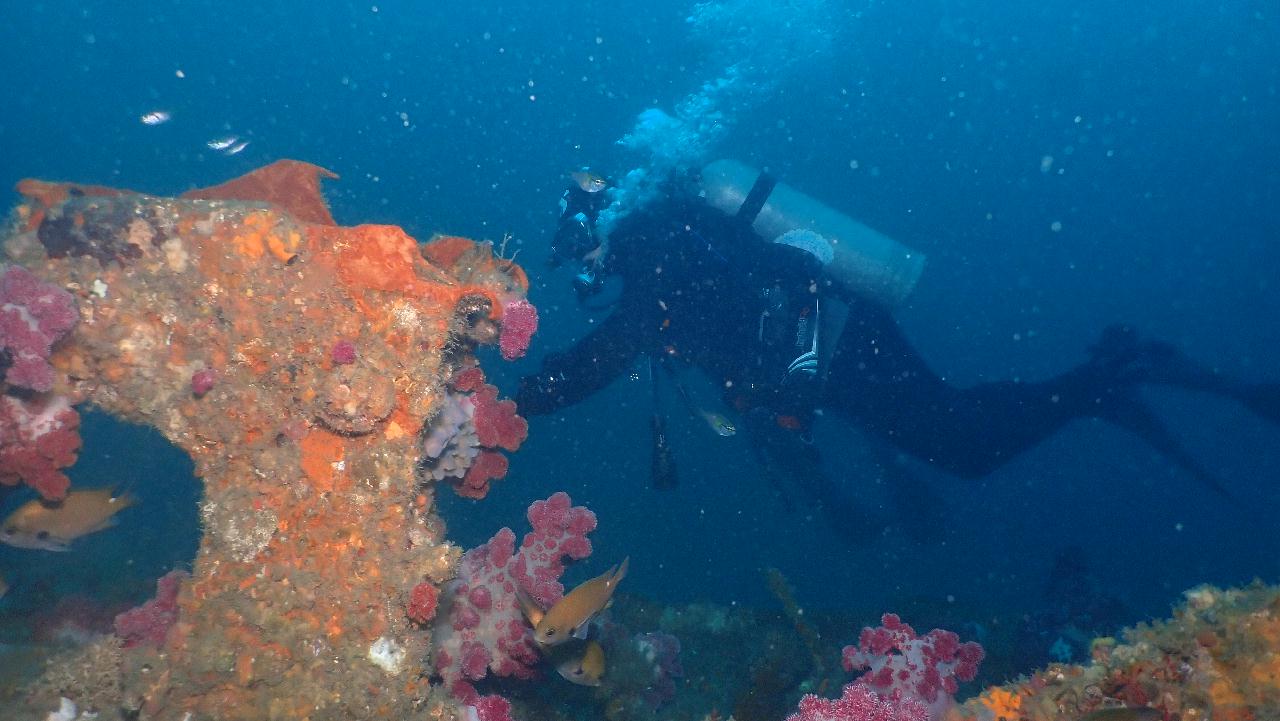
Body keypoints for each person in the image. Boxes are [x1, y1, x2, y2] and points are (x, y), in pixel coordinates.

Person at [518, 165, 1278, 540]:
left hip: (842, 344)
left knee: (965, 444)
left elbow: (606, 353)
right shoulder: (672, 241)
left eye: (579, 252)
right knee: (956, 430)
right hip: (841, 343)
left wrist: (516, 403)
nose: (585, 271)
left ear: (597, 226)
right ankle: (1102, 379)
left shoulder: (653, 249)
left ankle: (1107, 376)